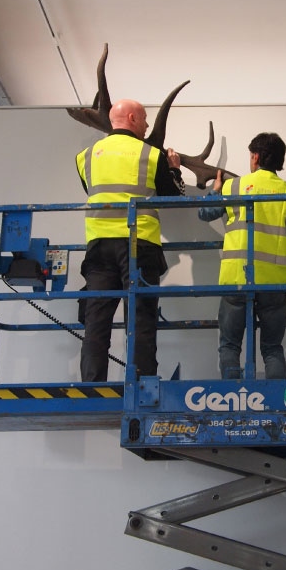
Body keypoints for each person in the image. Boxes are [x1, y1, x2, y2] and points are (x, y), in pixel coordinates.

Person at [199, 132, 286, 379]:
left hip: (237, 280)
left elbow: (205, 213)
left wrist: (215, 191)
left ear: (255, 157)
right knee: (271, 348)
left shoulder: (233, 187)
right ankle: (275, 405)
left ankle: (234, 401)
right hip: (275, 282)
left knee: (230, 345)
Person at [76, 99, 185, 381]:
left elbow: (94, 190)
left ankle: (92, 387)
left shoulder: (85, 156)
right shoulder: (150, 154)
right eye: (146, 119)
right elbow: (173, 199)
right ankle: (142, 386)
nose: (148, 125)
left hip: (98, 248)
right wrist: (174, 169)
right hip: (139, 247)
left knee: (96, 321)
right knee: (141, 320)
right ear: (133, 118)